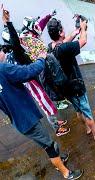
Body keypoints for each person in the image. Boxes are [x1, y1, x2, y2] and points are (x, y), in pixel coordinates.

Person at [0, 44, 83, 179]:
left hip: (20, 121)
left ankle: (59, 157)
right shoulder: (3, 69)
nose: (4, 53)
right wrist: (40, 59)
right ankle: (66, 173)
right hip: (27, 119)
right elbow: (28, 72)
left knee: (45, 141)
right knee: (49, 146)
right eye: (2, 51)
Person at [1, 8, 70, 136]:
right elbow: (17, 45)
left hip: (33, 74)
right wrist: (7, 23)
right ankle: (56, 128)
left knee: (47, 97)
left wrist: (49, 15)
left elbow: (40, 24)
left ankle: (56, 121)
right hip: (30, 80)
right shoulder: (16, 51)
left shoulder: (14, 50)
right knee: (45, 102)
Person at [47, 17, 95, 141]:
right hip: (76, 85)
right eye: (62, 29)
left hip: (65, 87)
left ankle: (88, 129)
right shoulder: (65, 48)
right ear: (60, 32)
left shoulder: (51, 47)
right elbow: (83, 41)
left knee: (78, 110)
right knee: (86, 110)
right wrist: (83, 29)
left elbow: (64, 41)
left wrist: (76, 31)